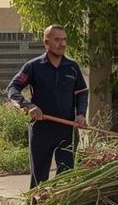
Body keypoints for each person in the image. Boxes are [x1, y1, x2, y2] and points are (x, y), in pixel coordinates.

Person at [6, 24, 88, 188]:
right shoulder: (34, 67)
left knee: (66, 173)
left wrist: (80, 114)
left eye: (64, 39)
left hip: (67, 128)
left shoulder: (72, 67)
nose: (62, 44)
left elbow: (81, 92)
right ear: (46, 42)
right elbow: (12, 88)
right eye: (57, 40)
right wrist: (28, 106)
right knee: (39, 178)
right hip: (41, 129)